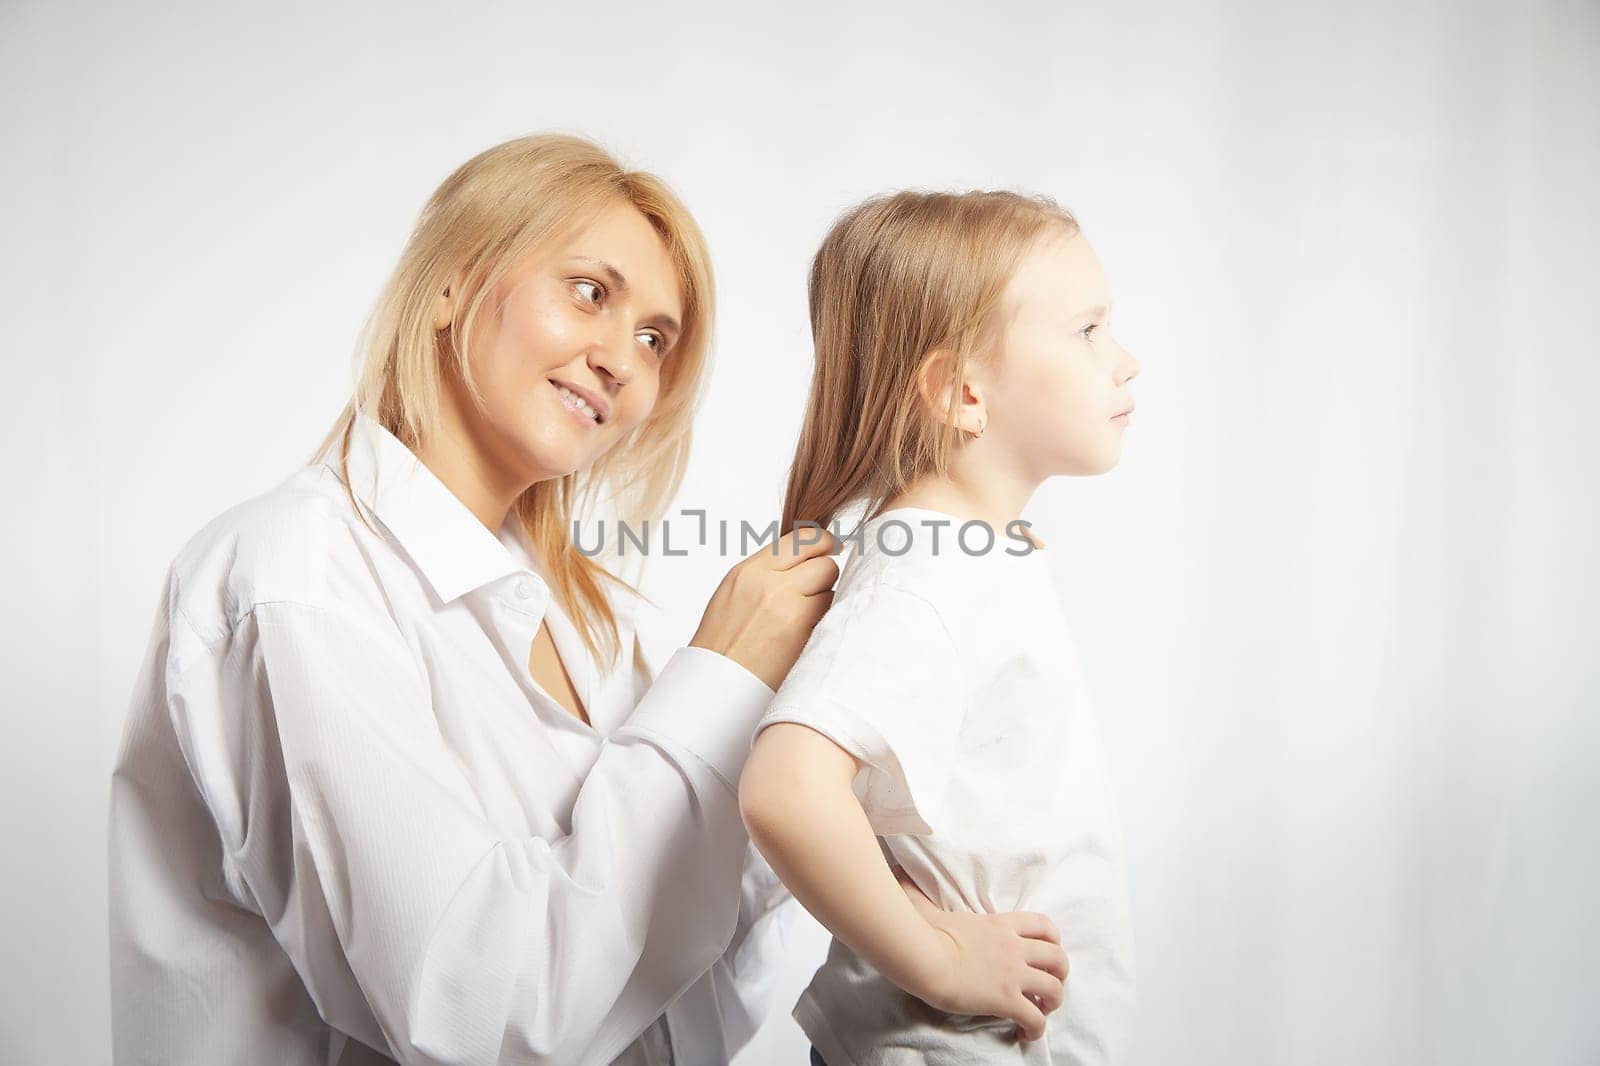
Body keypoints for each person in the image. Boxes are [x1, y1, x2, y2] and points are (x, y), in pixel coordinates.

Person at [105, 132, 847, 1065]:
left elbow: (671, 1017)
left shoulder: (590, 625)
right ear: (454, 284)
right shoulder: (300, 576)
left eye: (655, 338)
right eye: (592, 292)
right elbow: (478, 1013)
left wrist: (787, 752)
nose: (622, 358)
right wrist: (720, 679)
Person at [739, 189, 1142, 1064]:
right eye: (1087, 332)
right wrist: (949, 965)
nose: (1126, 362)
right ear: (962, 392)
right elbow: (787, 790)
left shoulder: (964, 556)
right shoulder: (928, 573)